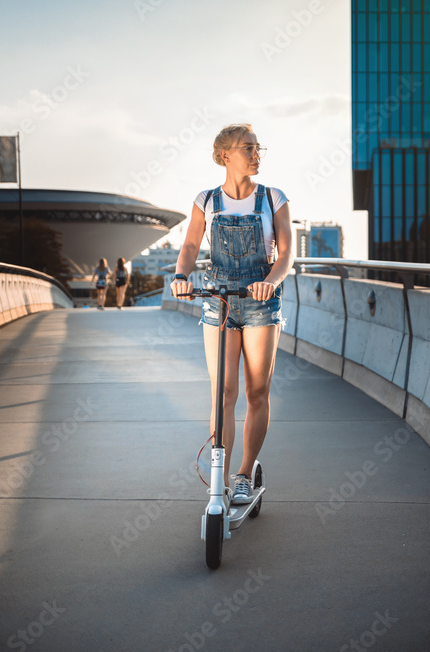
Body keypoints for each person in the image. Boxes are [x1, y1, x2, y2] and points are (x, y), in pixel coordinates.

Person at [170, 123, 293, 505]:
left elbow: (287, 252)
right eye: (248, 149)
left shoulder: (273, 198)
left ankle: (244, 473)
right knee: (223, 391)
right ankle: (219, 478)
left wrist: (270, 281)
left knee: (257, 392)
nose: (256, 155)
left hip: (259, 300)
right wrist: (180, 275)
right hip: (218, 299)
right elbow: (191, 244)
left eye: (259, 149)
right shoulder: (206, 200)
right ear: (225, 155)